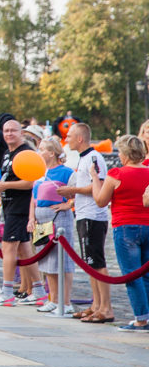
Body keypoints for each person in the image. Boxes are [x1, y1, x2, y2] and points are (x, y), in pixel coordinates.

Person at [0, 119, 47, 307]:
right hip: (8, 204)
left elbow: (32, 182)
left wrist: (6, 185)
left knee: (8, 247)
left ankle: (7, 291)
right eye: (6, 131)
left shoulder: (26, 152)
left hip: (21, 206)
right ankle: (39, 290)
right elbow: (6, 177)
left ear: (21, 132)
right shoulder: (6, 153)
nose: (9, 134)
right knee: (25, 249)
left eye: (13, 131)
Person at [91, 134, 149, 331]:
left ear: (124, 154)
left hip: (125, 227)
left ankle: (141, 318)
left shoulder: (117, 174)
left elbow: (100, 201)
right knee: (146, 273)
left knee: (132, 274)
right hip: (147, 225)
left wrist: (94, 178)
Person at [58, 122, 112, 322]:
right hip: (83, 213)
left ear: (80, 138)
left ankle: (106, 307)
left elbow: (98, 185)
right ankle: (96, 304)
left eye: (70, 136)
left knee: (96, 262)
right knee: (90, 263)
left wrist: (71, 191)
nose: (67, 139)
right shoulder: (83, 159)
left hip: (93, 215)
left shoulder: (93, 157)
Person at [28, 136, 74, 315]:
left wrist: (68, 204)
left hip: (59, 218)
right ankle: (52, 298)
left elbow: (78, 190)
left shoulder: (66, 172)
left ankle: (66, 301)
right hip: (42, 219)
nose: (39, 153)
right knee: (47, 260)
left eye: (42, 149)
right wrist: (31, 218)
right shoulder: (39, 173)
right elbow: (33, 198)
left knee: (62, 260)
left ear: (52, 153)